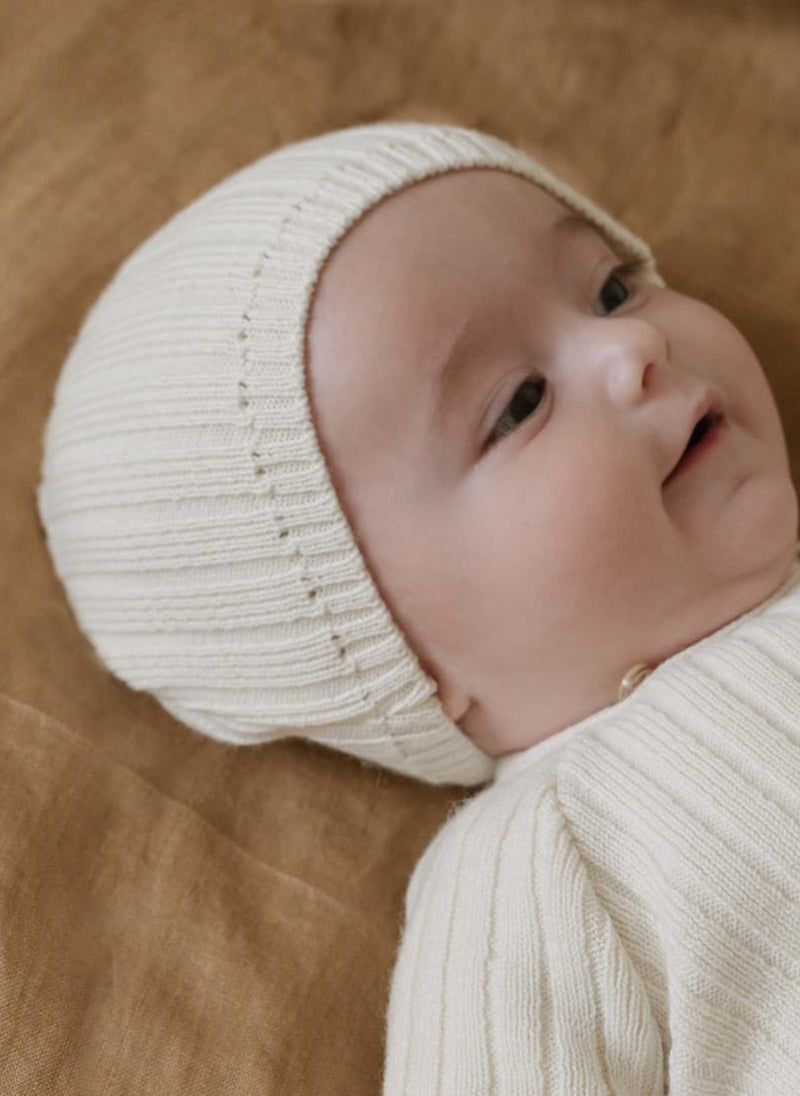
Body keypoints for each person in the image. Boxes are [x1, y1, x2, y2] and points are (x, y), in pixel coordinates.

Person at [37, 120, 800, 1092]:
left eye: (610, 286)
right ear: (402, 662)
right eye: (518, 404)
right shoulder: (544, 865)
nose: (632, 341)